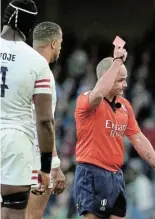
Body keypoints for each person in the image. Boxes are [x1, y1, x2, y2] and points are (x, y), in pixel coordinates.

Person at [73, 47, 155, 219]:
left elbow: (137, 137)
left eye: (125, 79)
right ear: (106, 78)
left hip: (116, 175)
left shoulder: (125, 106)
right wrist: (117, 62)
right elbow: (99, 92)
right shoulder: (86, 100)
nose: (125, 84)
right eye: (120, 80)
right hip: (92, 173)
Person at [0, 1, 55, 219]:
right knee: (12, 210)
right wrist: (46, 167)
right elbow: (44, 121)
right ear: (29, 26)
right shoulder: (36, 62)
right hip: (16, 141)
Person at [25, 21, 66, 219]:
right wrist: (54, 163)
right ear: (53, 44)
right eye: (60, 43)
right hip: (35, 155)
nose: (60, 48)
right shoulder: (43, 73)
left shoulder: (18, 66)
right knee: (32, 216)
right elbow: (44, 122)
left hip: (8, 152)